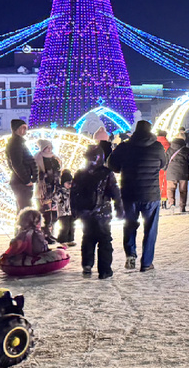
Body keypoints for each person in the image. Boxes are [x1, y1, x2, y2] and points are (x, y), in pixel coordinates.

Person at [106, 120, 169, 271]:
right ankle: (146, 263)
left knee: (129, 224)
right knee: (150, 229)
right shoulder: (157, 147)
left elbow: (111, 164)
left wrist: (123, 168)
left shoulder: (124, 147)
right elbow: (164, 164)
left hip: (129, 193)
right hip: (151, 194)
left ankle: (130, 254)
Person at [72, 145, 123, 279]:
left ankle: (87, 264)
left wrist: (75, 210)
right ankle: (104, 270)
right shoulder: (106, 173)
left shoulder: (80, 173)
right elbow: (115, 192)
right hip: (102, 212)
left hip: (85, 212)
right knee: (104, 239)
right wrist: (119, 208)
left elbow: (74, 193)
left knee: (88, 237)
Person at [34, 139, 64, 241]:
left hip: (54, 188)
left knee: (54, 213)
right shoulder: (38, 158)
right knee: (45, 212)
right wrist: (43, 176)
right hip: (43, 189)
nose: (49, 149)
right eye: (47, 147)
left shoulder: (55, 158)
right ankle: (45, 234)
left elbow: (58, 170)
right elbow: (36, 173)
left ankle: (51, 232)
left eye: (50, 147)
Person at [6, 119, 38, 212]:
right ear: (16, 129)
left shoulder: (18, 142)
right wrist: (26, 180)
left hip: (21, 181)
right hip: (21, 182)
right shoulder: (15, 143)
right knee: (25, 209)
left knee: (24, 208)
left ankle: (23, 220)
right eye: (22, 128)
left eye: (25, 128)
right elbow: (17, 164)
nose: (25, 130)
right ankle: (24, 221)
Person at [165, 130, 189, 214]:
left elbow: (165, 161)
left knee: (171, 189)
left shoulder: (169, 149)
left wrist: (164, 168)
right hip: (183, 172)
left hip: (171, 172)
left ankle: (171, 203)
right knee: (183, 190)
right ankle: (182, 206)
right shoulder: (187, 150)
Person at [156, 130, 172, 210]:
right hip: (166, 167)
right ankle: (164, 202)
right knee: (164, 184)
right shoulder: (168, 145)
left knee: (155, 185)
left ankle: (156, 202)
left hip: (155, 167)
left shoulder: (153, 144)